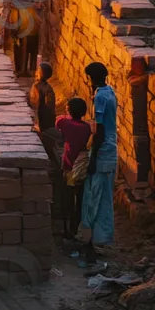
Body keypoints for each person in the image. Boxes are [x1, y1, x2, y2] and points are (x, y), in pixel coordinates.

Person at [80, 62, 117, 267]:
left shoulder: (100, 98)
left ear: (91, 79)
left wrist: (92, 160)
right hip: (111, 150)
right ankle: (98, 239)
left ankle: (91, 242)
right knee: (104, 196)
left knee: (93, 197)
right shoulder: (110, 91)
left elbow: (100, 131)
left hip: (102, 153)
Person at [57, 98, 92, 241]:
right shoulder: (87, 128)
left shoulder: (65, 124)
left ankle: (67, 229)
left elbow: (58, 121)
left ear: (69, 111)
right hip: (82, 169)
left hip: (69, 168)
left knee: (68, 198)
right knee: (80, 199)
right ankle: (75, 227)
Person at [7, 0, 39, 76]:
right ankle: (18, 67)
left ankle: (25, 69)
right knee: (16, 41)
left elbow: (32, 0)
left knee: (26, 41)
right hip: (16, 14)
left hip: (26, 15)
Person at [29, 62, 57, 141]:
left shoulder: (44, 88)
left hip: (43, 114)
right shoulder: (40, 86)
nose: (36, 72)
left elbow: (48, 104)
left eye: (39, 71)